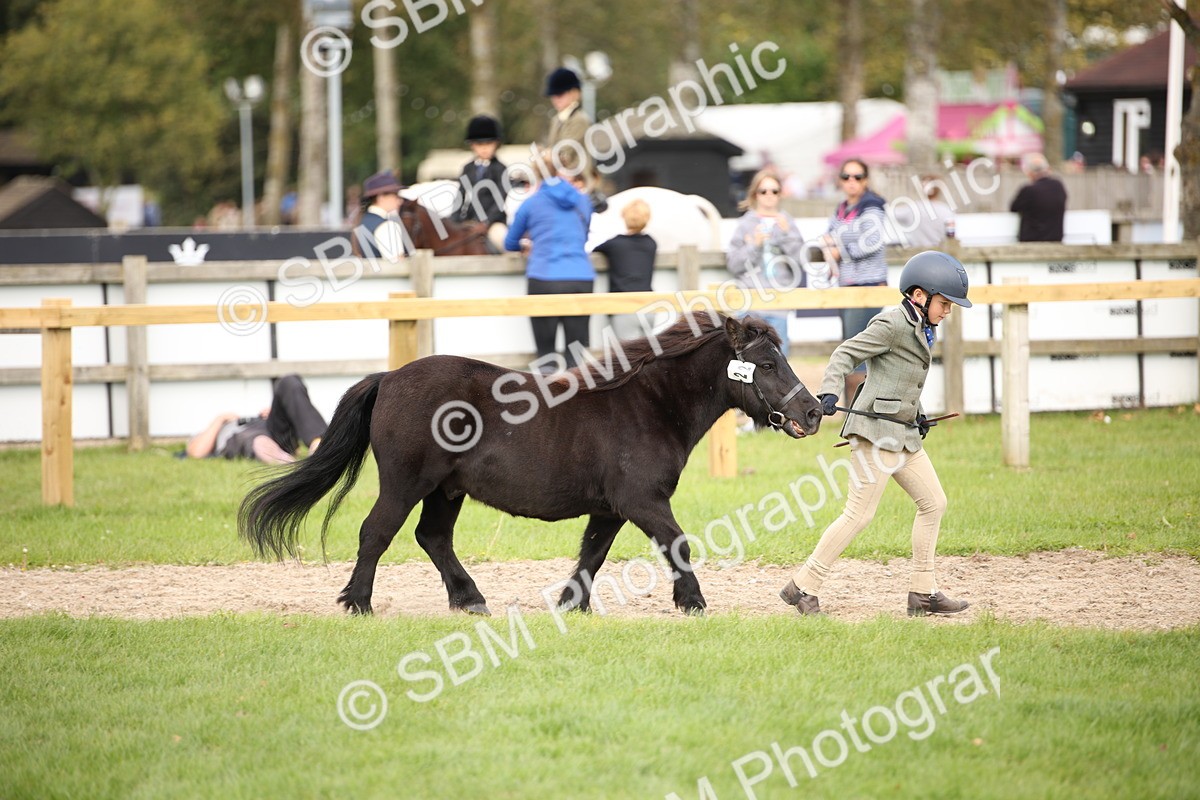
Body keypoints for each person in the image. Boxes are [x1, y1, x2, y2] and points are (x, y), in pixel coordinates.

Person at [779, 250, 973, 618]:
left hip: (902, 435)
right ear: (919, 296)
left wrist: (916, 415)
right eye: (945, 303)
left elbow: (899, 380)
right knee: (859, 515)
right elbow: (843, 355)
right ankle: (803, 586)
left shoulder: (923, 328)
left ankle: (922, 591)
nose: (948, 311)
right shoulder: (891, 323)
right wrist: (830, 392)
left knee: (934, 503)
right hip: (875, 434)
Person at [504, 152, 594, 370]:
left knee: (546, 357)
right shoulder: (583, 200)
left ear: (537, 174)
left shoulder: (531, 203)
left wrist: (527, 245)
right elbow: (583, 233)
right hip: (580, 278)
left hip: (544, 278)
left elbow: (509, 242)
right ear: (564, 169)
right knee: (576, 357)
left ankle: (547, 402)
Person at [820, 158, 888, 401]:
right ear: (840, 180)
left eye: (857, 177)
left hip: (867, 288)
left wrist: (840, 251)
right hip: (848, 287)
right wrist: (832, 249)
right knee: (852, 350)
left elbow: (874, 242)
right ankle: (854, 412)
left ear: (865, 180)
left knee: (856, 352)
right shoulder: (842, 209)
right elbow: (827, 238)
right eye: (847, 176)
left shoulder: (873, 207)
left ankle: (857, 413)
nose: (852, 181)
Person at [726, 169, 805, 355]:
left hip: (779, 305)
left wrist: (786, 236)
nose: (769, 195)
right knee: (746, 362)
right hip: (749, 306)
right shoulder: (745, 224)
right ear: (755, 194)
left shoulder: (787, 222)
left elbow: (800, 261)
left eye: (774, 191)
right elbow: (734, 265)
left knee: (779, 366)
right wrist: (755, 245)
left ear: (780, 194)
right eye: (764, 191)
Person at [185, 375, 327, 464]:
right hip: (242, 437)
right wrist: (220, 419)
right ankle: (287, 464)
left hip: (267, 426)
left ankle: (319, 446)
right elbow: (196, 453)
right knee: (255, 439)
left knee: (289, 381)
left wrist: (275, 412)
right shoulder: (219, 431)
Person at [593, 199, 657, 340]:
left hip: (623, 306)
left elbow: (594, 250)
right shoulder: (651, 243)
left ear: (624, 217)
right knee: (650, 353)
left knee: (628, 357)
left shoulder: (614, 244)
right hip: (649, 305)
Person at [452, 114, 509, 252]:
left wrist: (486, 222)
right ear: (472, 145)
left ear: (496, 144)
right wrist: (455, 221)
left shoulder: (501, 169)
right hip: (469, 221)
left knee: (502, 240)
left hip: (494, 222)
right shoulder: (468, 168)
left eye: (488, 144)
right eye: (479, 144)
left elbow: (500, 200)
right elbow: (460, 196)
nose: (484, 148)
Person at [1010, 152, 1067, 242]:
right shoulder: (1058, 186)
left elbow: (1013, 208)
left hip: (1032, 242)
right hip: (1055, 240)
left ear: (1030, 173)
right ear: (1048, 169)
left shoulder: (1028, 190)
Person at [545, 67, 592, 174]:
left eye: (560, 95)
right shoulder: (556, 120)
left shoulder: (580, 120)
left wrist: (544, 156)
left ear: (574, 93)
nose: (556, 99)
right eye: (553, 95)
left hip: (578, 179)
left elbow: (564, 154)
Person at [353, 169, 408, 261]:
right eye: (395, 195)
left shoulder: (363, 221)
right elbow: (397, 266)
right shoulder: (388, 226)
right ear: (381, 197)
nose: (400, 201)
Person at [894, 174, 955, 249]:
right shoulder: (946, 210)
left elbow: (889, 213)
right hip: (938, 253)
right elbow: (951, 235)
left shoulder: (912, 208)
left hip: (916, 254)